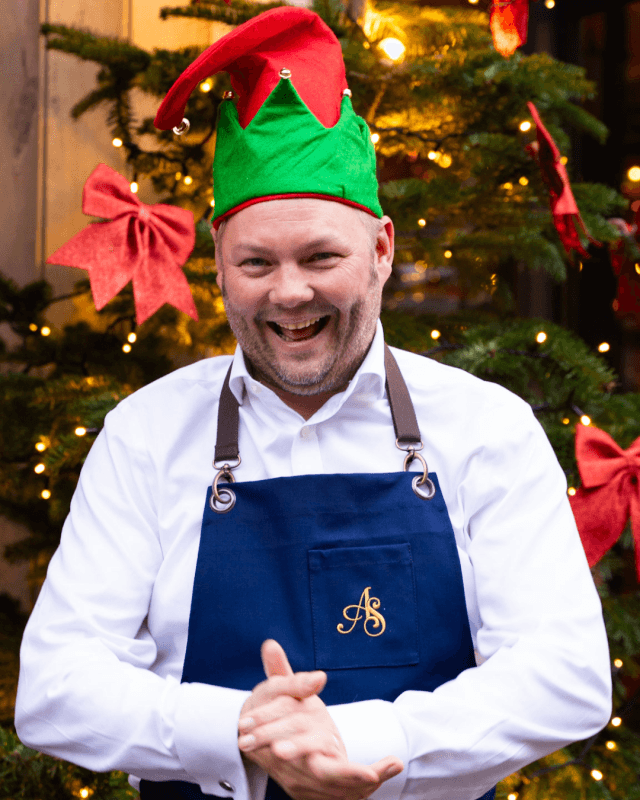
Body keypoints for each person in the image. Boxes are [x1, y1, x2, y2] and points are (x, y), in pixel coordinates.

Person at [16, 8, 612, 800]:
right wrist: (236, 730)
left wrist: (366, 740)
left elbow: (566, 676)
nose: (288, 292)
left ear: (382, 250)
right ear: (219, 269)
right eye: (255, 261)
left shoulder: (485, 428)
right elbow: (55, 688)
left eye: (321, 255)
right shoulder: (148, 435)